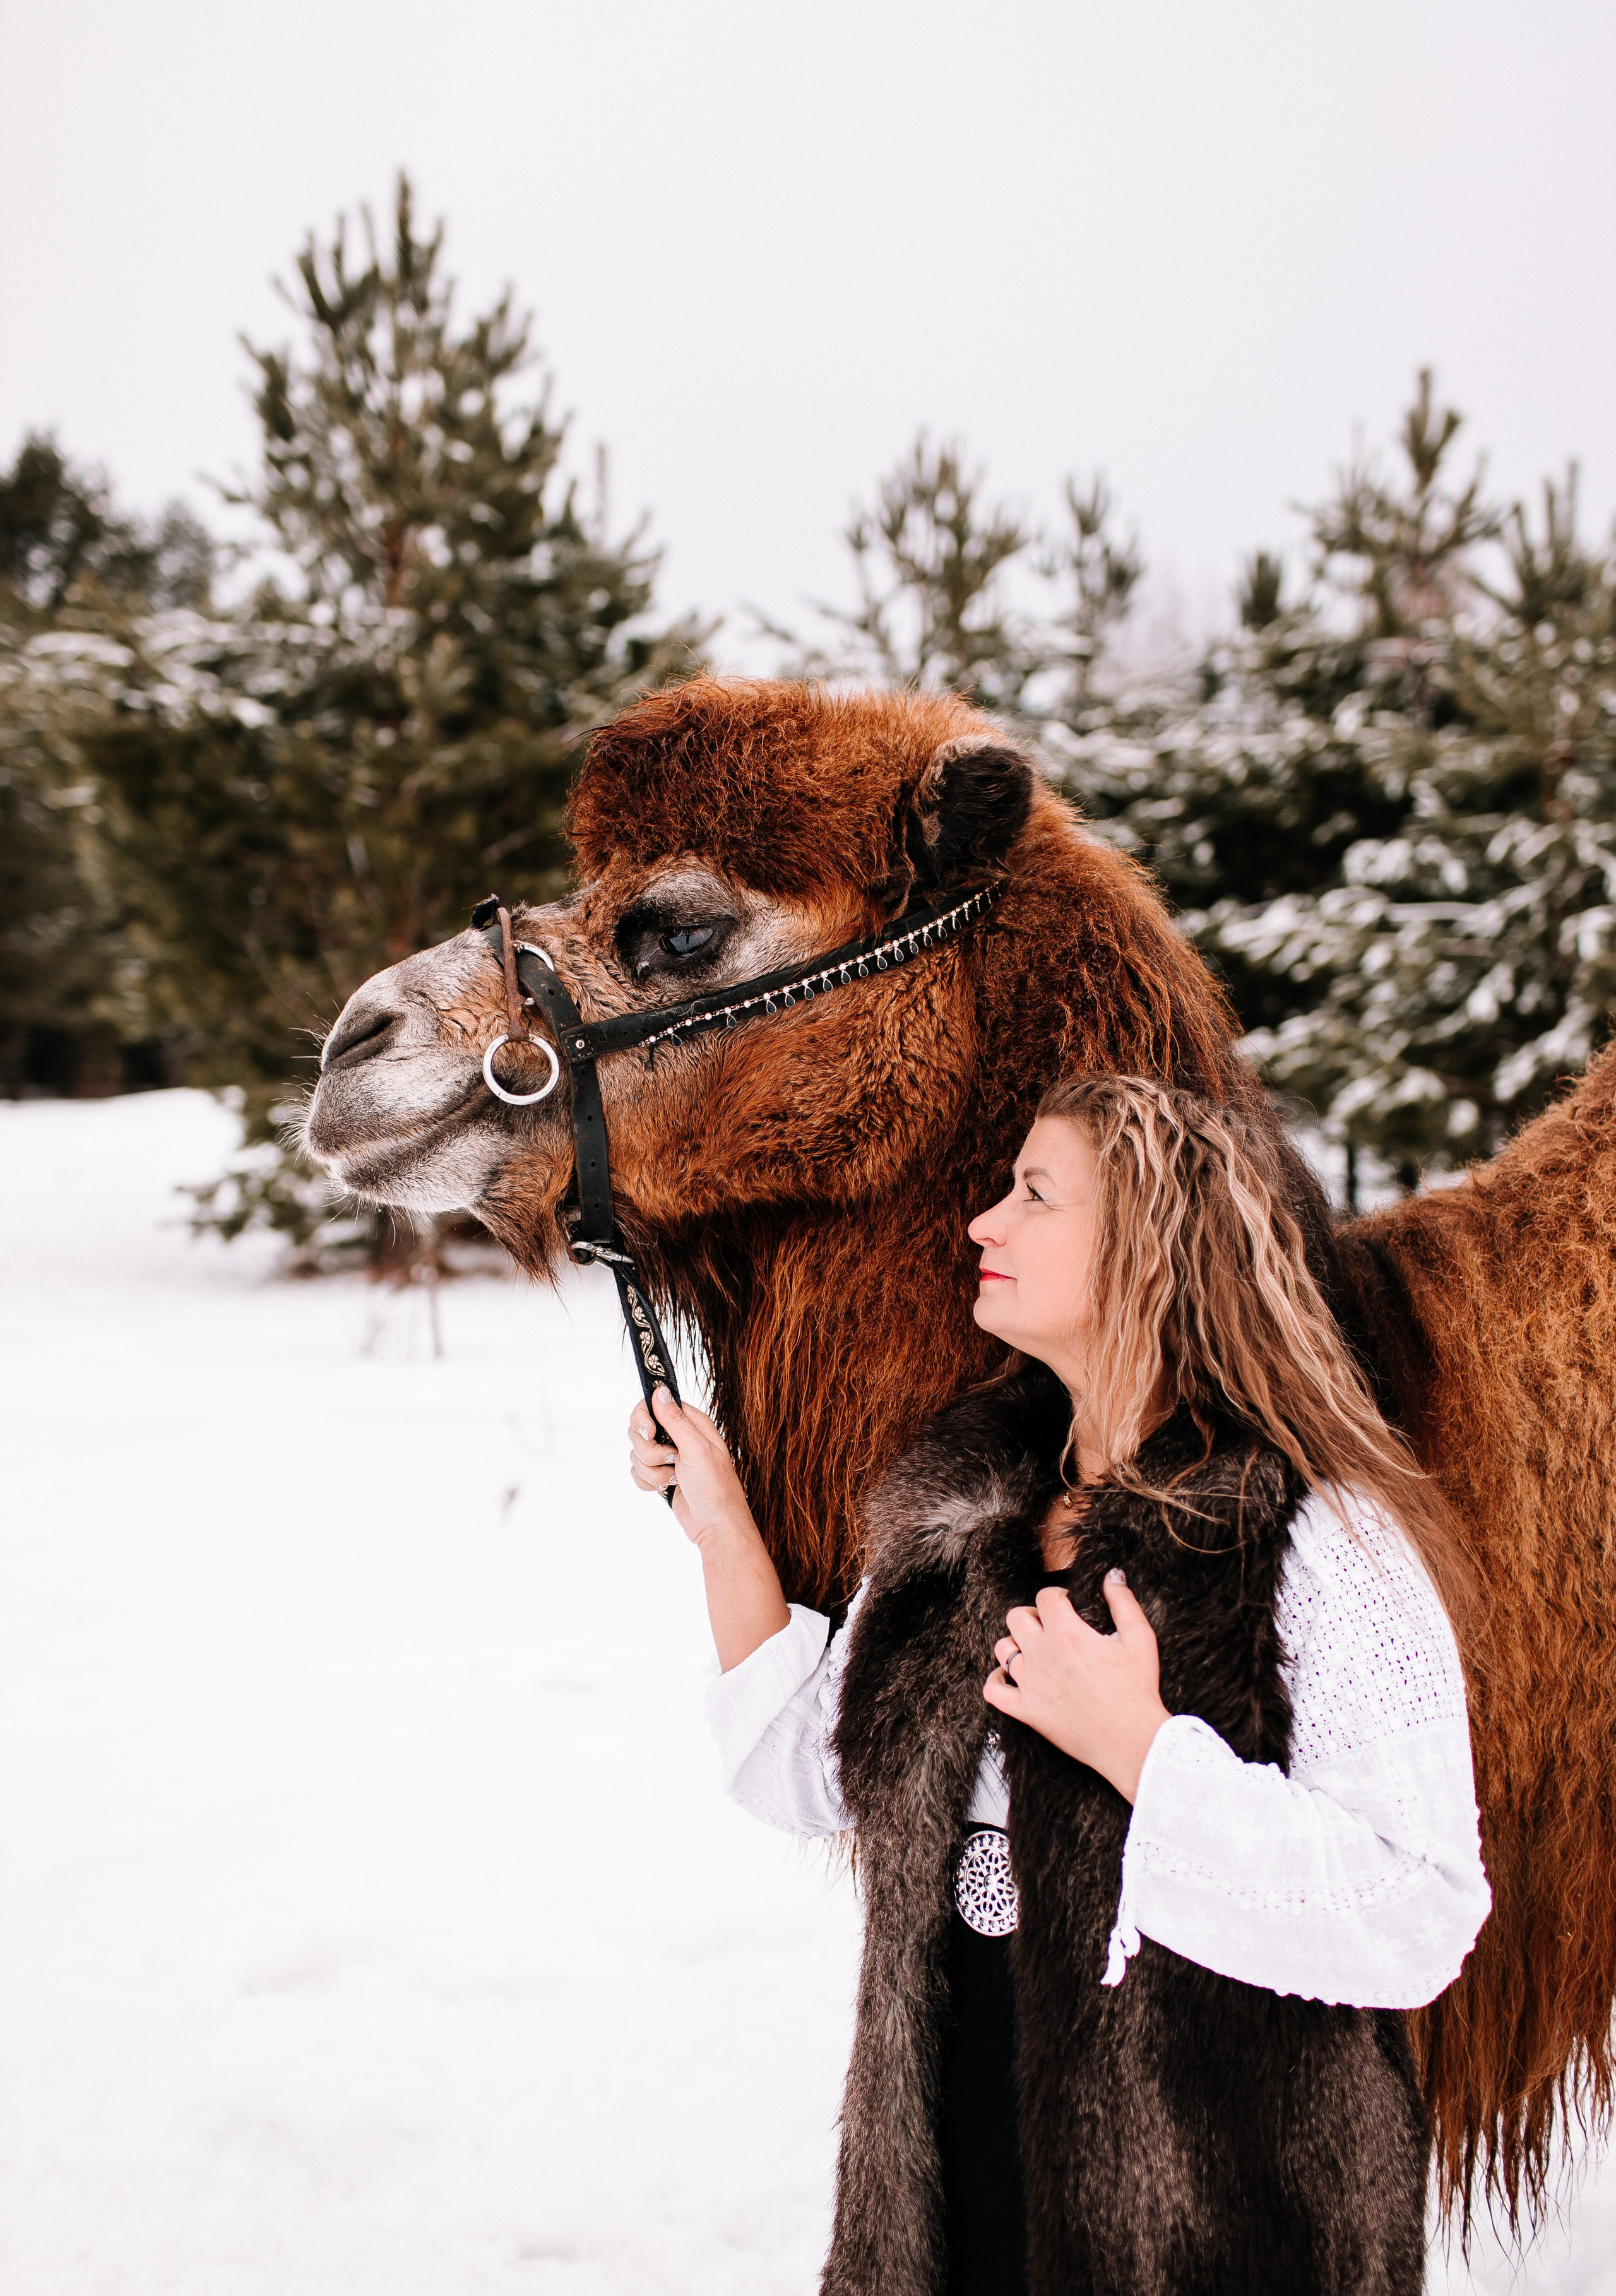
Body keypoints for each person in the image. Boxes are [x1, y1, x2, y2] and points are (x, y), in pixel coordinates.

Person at [627, 1074, 1490, 2296]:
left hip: (1218, 2227)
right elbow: (804, 1775)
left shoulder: (1312, 1538)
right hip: (944, 2188)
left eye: (1033, 1194)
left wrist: (1144, 1752)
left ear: (1155, 1243)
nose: (983, 1223)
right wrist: (722, 1532)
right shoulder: (961, 1507)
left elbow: (1416, 1916)